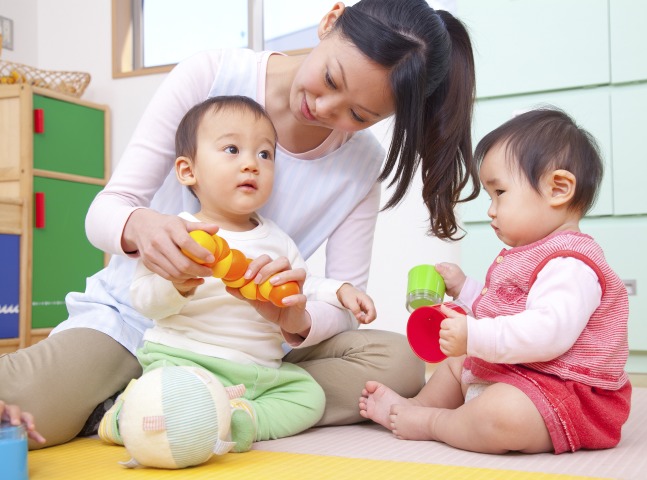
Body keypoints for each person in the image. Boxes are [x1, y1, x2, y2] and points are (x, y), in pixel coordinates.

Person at [0, 0, 479, 449]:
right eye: (331, 78)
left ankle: (187, 407)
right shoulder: (212, 76)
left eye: (359, 114)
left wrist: (296, 318)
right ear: (331, 19)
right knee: (21, 406)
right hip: (141, 326)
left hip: (253, 352)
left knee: (396, 363)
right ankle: (139, 402)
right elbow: (107, 210)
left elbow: (346, 298)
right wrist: (142, 227)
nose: (326, 108)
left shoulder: (360, 165)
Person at [99, 95, 375, 452]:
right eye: (232, 149)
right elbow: (144, 300)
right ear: (188, 171)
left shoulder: (278, 239)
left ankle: (242, 420)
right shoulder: (179, 233)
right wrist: (177, 286)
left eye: (264, 154)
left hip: (257, 372)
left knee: (309, 396)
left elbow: (301, 285)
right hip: (185, 358)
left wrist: (339, 291)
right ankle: (129, 412)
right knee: (162, 393)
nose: (251, 164)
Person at [359, 107, 632, 455]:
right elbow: (508, 307)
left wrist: (473, 335)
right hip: (520, 372)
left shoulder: (571, 265)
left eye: (500, 193)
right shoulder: (530, 253)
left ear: (558, 189)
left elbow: (546, 332)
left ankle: (433, 423)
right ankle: (418, 405)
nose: (490, 209)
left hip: (564, 392)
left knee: (503, 414)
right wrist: (466, 290)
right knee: (456, 364)